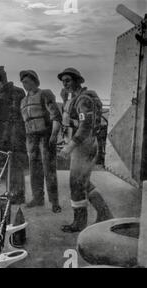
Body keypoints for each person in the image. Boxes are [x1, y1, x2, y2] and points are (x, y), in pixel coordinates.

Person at [58, 68, 113, 233]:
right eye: (63, 81)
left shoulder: (83, 99)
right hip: (87, 145)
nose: (64, 83)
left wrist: (70, 146)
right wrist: (64, 99)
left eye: (68, 80)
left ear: (77, 81)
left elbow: (85, 127)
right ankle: (105, 214)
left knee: (76, 184)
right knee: (84, 182)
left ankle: (79, 223)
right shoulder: (77, 98)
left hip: (84, 146)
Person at [19, 70, 62, 213]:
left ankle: (54, 202)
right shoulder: (23, 101)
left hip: (45, 135)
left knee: (49, 169)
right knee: (34, 169)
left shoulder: (45, 94)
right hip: (31, 138)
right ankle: (38, 198)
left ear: (35, 81)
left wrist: (54, 135)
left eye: (27, 81)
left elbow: (56, 116)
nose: (25, 84)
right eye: (23, 82)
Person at [0, 66, 27, 205]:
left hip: (8, 136)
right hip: (18, 135)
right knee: (15, 165)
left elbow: (5, 119)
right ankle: (15, 191)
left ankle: (16, 194)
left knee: (12, 164)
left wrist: (0, 139)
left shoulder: (3, 94)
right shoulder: (19, 91)